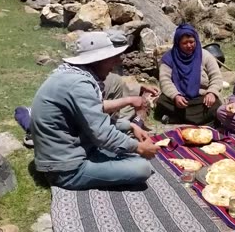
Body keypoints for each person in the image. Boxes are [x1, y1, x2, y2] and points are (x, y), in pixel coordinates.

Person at [30, 31, 160, 190]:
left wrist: (131, 126)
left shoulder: (73, 77)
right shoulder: (79, 85)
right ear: (98, 60)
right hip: (66, 168)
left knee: (125, 150)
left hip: (70, 152)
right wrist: (138, 147)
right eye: (113, 58)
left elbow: (93, 117)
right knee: (142, 168)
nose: (117, 62)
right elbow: (101, 133)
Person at [155, 24, 223, 125]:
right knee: (162, 101)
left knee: (216, 105)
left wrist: (211, 92)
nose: (189, 45)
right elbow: (165, 80)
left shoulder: (205, 56)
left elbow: (216, 77)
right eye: (184, 43)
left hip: (200, 99)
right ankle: (200, 120)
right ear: (178, 43)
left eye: (191, 42)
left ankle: (176, 119)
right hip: (180, 99)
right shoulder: (169, 58)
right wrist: (175, 96)